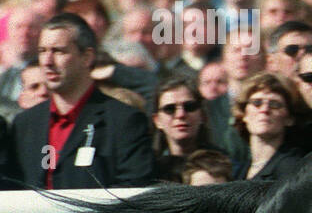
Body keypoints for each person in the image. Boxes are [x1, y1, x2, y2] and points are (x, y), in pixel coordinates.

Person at [1, 13, 153, 190]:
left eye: (59, 51)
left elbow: (135, 191)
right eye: (43, 51)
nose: (48, 61)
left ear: (87, 57)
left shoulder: (123, 121)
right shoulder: (25, 124)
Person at [230, 71, 303, 181]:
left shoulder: (291, 167)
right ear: (244, 114)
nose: (264, 110)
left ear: (289, 118)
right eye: (257, 103)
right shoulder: (241, 171)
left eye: (274, 104)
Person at [152, 73, 220, 182]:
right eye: (170, 109)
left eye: (189, 107)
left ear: (202, 115)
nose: (180, 114)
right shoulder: (148, 169)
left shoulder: (224, 163)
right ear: (157, 121)